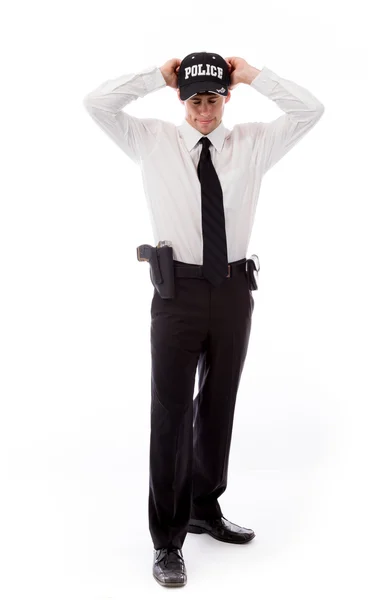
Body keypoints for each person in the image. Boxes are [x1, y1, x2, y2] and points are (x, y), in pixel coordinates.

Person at [83, 51, 325, 587]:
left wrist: (254, 74)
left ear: (227, 98)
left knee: (218, 404)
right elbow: (96, 104)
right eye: (194, 100)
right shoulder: (150, 139)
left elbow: (310, 111)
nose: (204, 111)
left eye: (213, 99)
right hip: (178, 293)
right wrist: (155, 75)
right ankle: (167, 542)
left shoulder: (254, 144)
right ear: (180, 101)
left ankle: (203, 507)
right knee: (171, 412)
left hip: (235, 287)